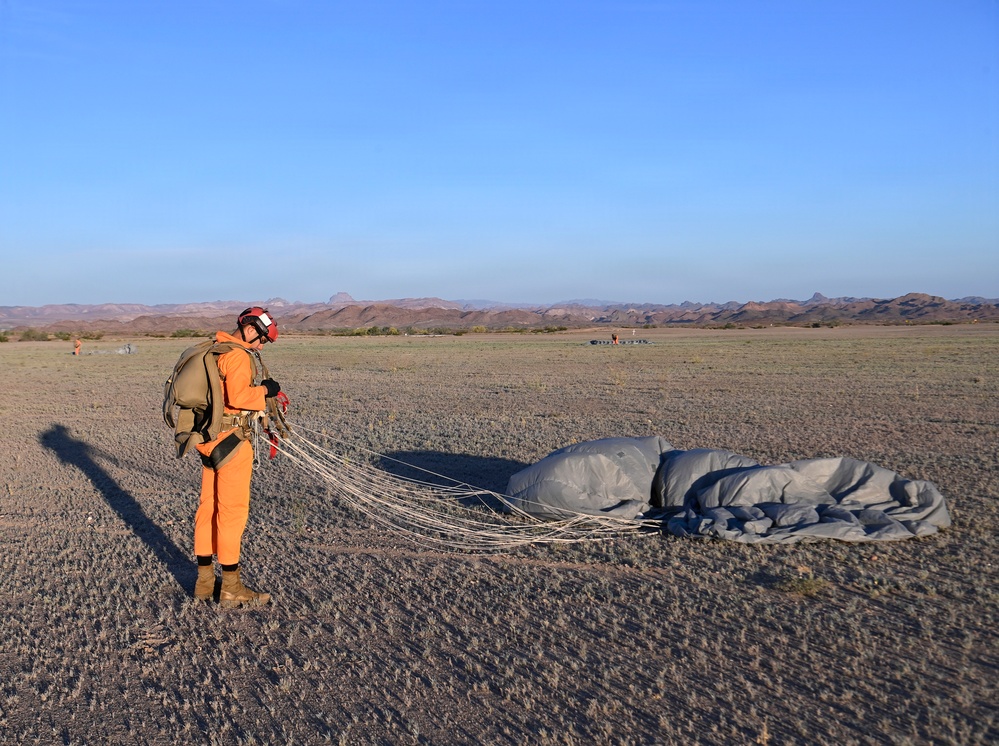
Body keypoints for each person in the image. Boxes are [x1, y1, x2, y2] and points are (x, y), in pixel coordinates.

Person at [193, 307, 281, 607]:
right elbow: (239, 398)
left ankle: (205, 582)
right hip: (231, 443)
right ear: (251, 329)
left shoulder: (215, 350)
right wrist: (267, 389)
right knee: (232, 513)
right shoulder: (238, 356)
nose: (259, 347)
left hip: (206, 440)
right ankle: (231, 587)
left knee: (208, 509)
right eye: (261, 340)